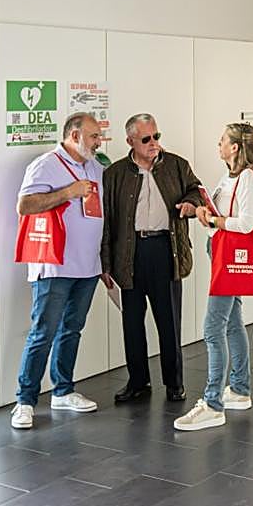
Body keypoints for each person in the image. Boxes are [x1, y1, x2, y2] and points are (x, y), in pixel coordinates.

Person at [10, 113, 105, 430]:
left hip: (88, 265)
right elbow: (25, 205)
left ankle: (63, 390)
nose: (98, 141)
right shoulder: (46, 164)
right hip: (54, 264)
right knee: (43, 332)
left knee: (71, 329)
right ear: (75, 135)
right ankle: (25, 400)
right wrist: (67, 192)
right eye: (93, 136)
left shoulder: (95, 166)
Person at [101, 114, 204, 404]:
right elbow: (108, 220)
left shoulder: (176, 165)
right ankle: (138, 382)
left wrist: (191, 203)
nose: (154, 144)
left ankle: (174, 384)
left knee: (169, 322)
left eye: (157, 136)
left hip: (165, 249)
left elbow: (197, 190)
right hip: (129, 253)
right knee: (132, 323)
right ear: (130, 141)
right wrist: (105, 264)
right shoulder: (115, 174)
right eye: (146, 139)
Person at [174, 122, 253, 431]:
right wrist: (201, 212)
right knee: (232, 322)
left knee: (213, 328)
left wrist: (213, 218)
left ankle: (213, 403)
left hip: (231, 257)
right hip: (221, 253)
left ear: (235, 147)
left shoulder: (248, 178)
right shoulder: (230, 176)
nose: (218, 146)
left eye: (222, 142)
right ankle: (240, 389)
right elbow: (217, 211)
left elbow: (246, 223)